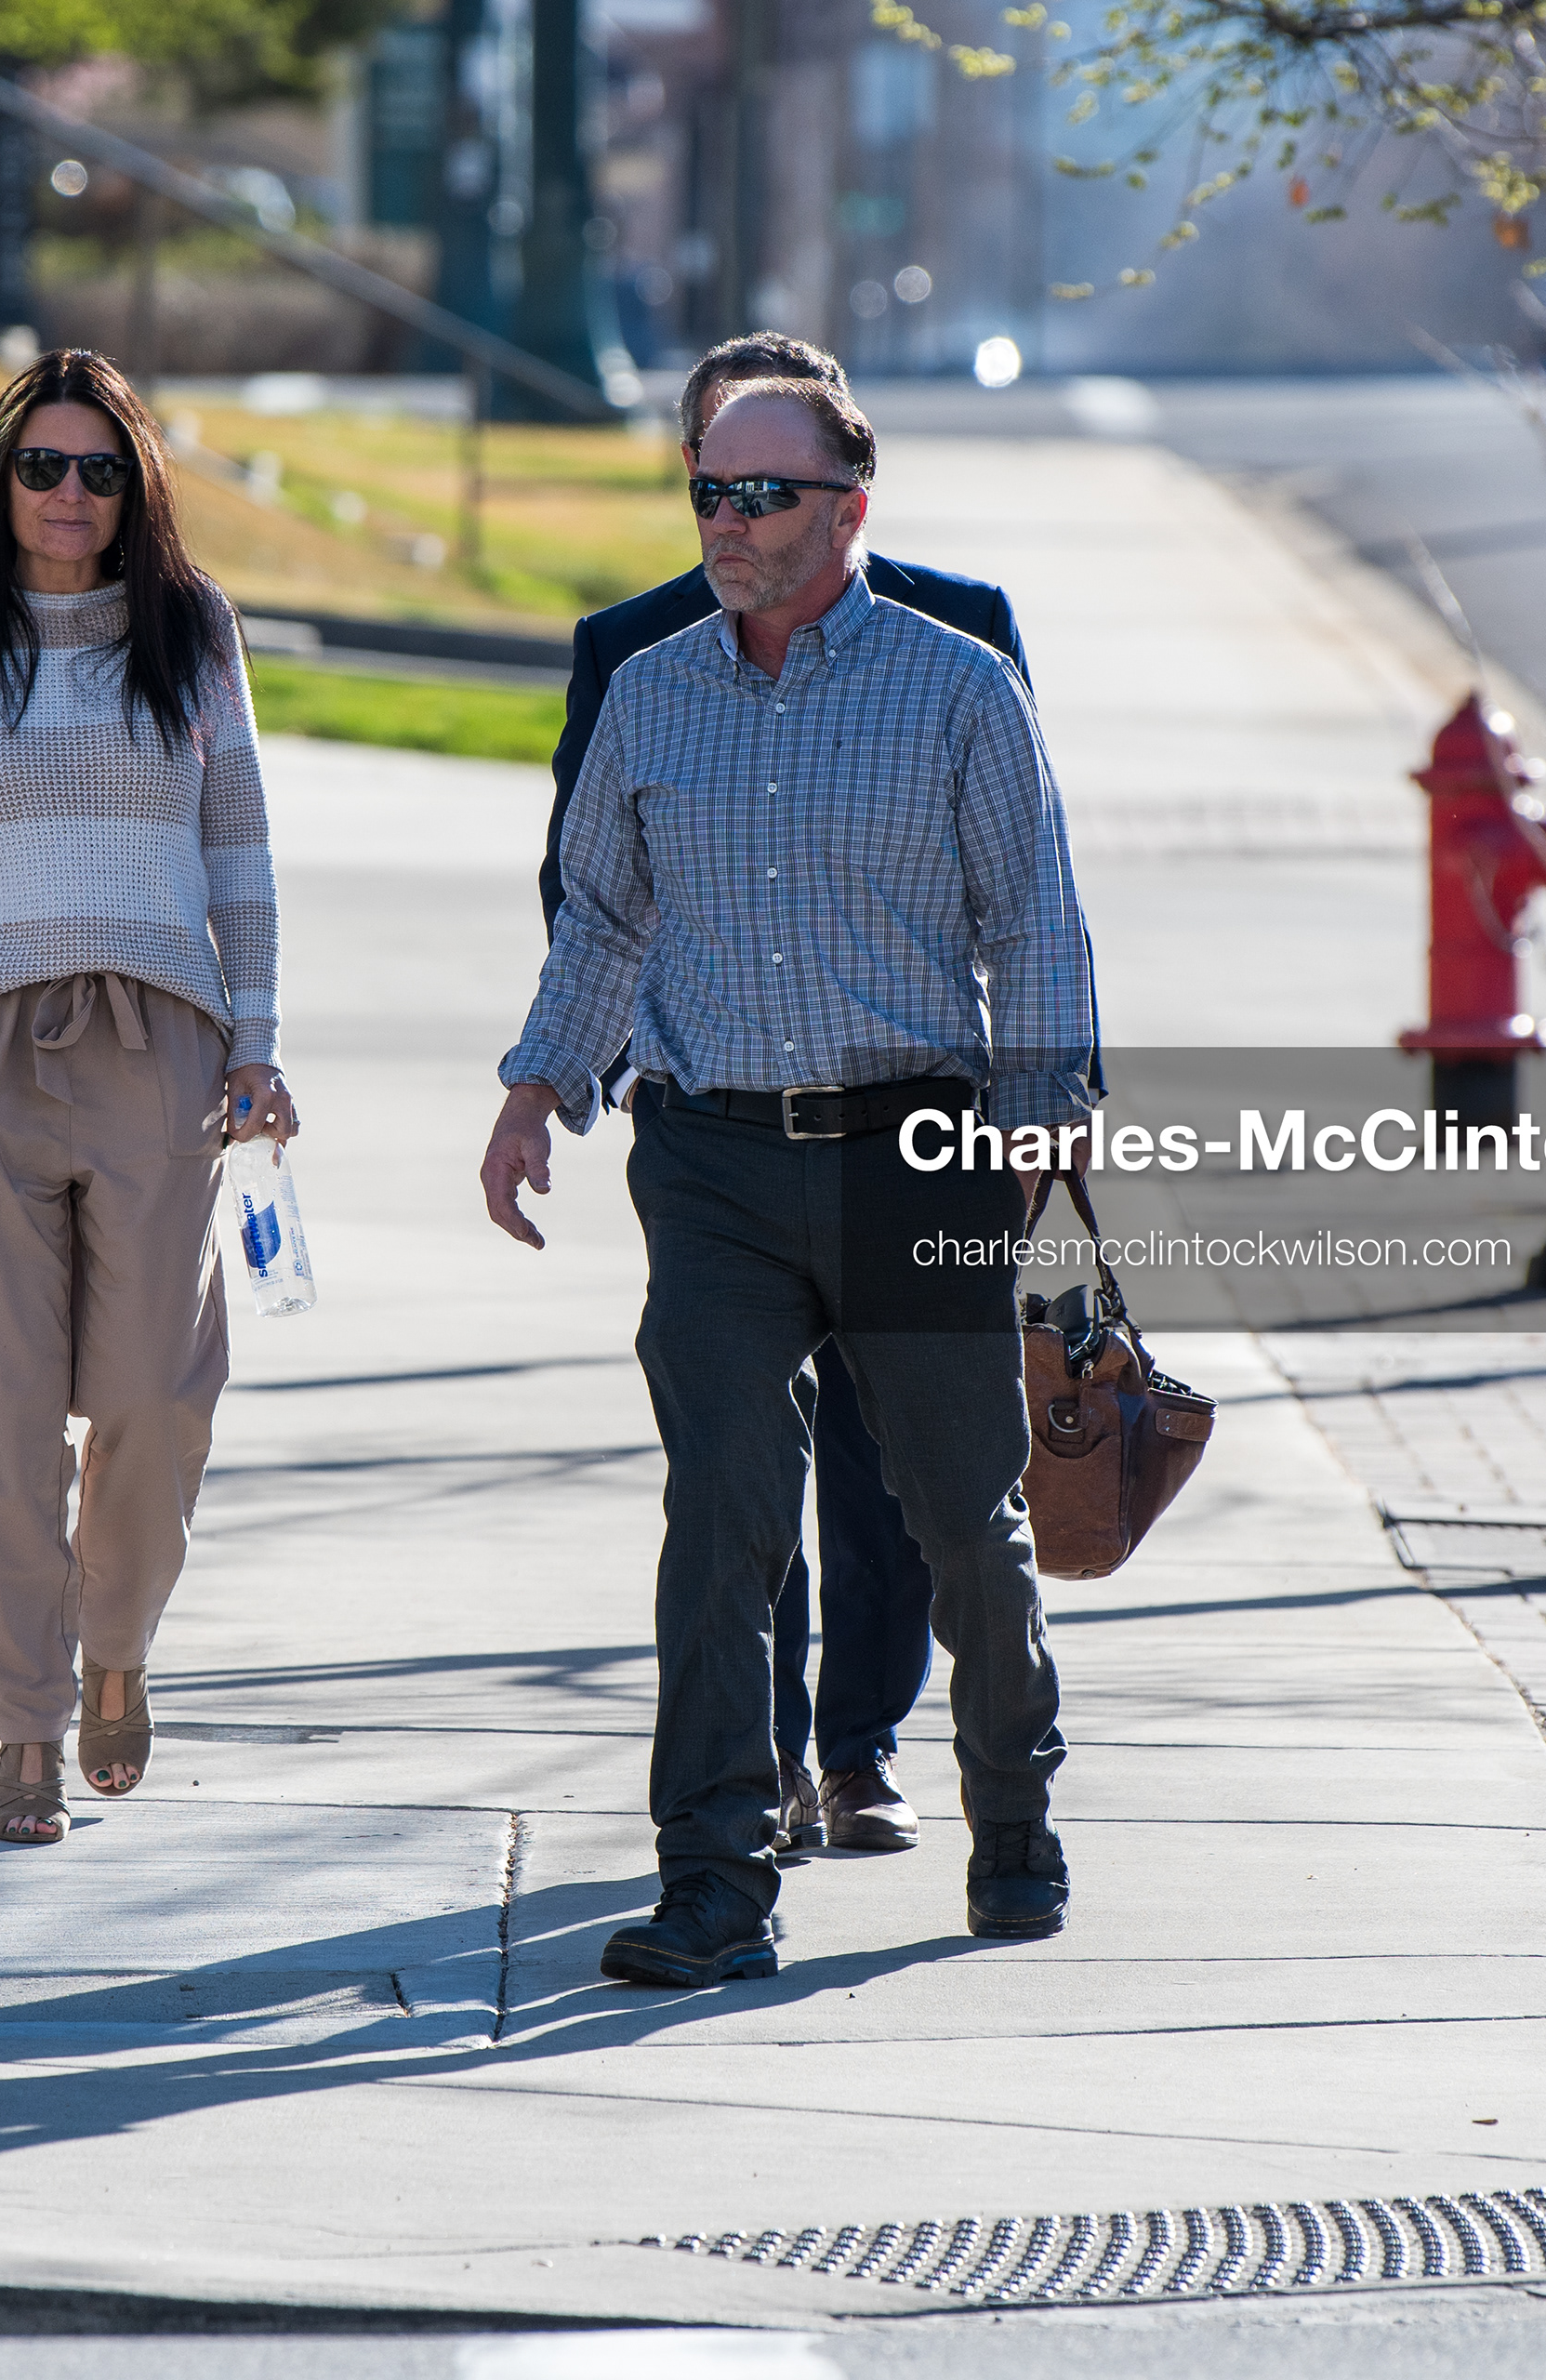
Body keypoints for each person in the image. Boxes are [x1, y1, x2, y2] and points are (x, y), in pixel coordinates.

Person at [480, 376, 1098, 1984]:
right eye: (708, 493)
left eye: (764, 495)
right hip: (715, 1167)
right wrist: (539, 1084)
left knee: (966, 1521)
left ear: (849, 506)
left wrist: (1040, 1112)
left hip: (915, 1153)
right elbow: (603, 916)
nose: (729, 524)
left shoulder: (958, 689)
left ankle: (1014, 1820)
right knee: (723, 1523)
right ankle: (717, 1884)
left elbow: (1032, 917)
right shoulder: (652, 692)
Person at [0, 349, 294, 1848]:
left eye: (102, 469)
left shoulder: (191, 627)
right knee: (3, 1417)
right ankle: (25, 1727)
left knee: (161, 1400)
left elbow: (239, 850)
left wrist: (256, 1035)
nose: (70, 494)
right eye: (44, 465)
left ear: (135, 486)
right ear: (1, 476)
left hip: (161, 1040)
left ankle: (118, 1647)